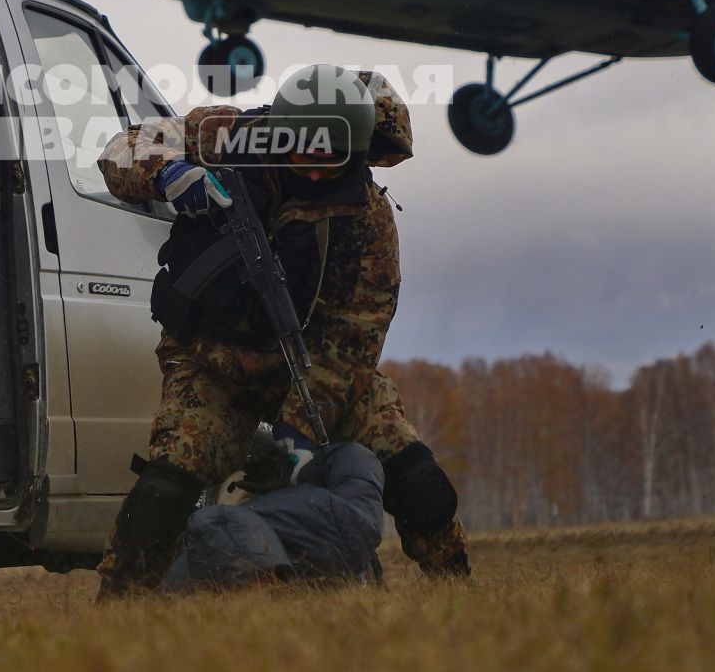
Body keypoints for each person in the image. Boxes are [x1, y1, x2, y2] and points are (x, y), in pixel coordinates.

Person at [95, 63, 470, 597]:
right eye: (301, 156)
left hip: (318, 372)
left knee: (419, 482)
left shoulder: (367, 216)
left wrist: (297, 432)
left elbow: (355, 337)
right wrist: (168, 173)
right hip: (214, 362)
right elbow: (122, 148)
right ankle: (120, 603)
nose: (315, 174)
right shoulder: (224, 135)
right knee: (167, 484)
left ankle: (456, 593)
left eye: (330, 160)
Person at [162, 424, 386, 591]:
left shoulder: (221, 522)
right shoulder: (350, 518)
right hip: (347, 532)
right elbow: (355, 461)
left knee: (214, 521)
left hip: (307, 536)